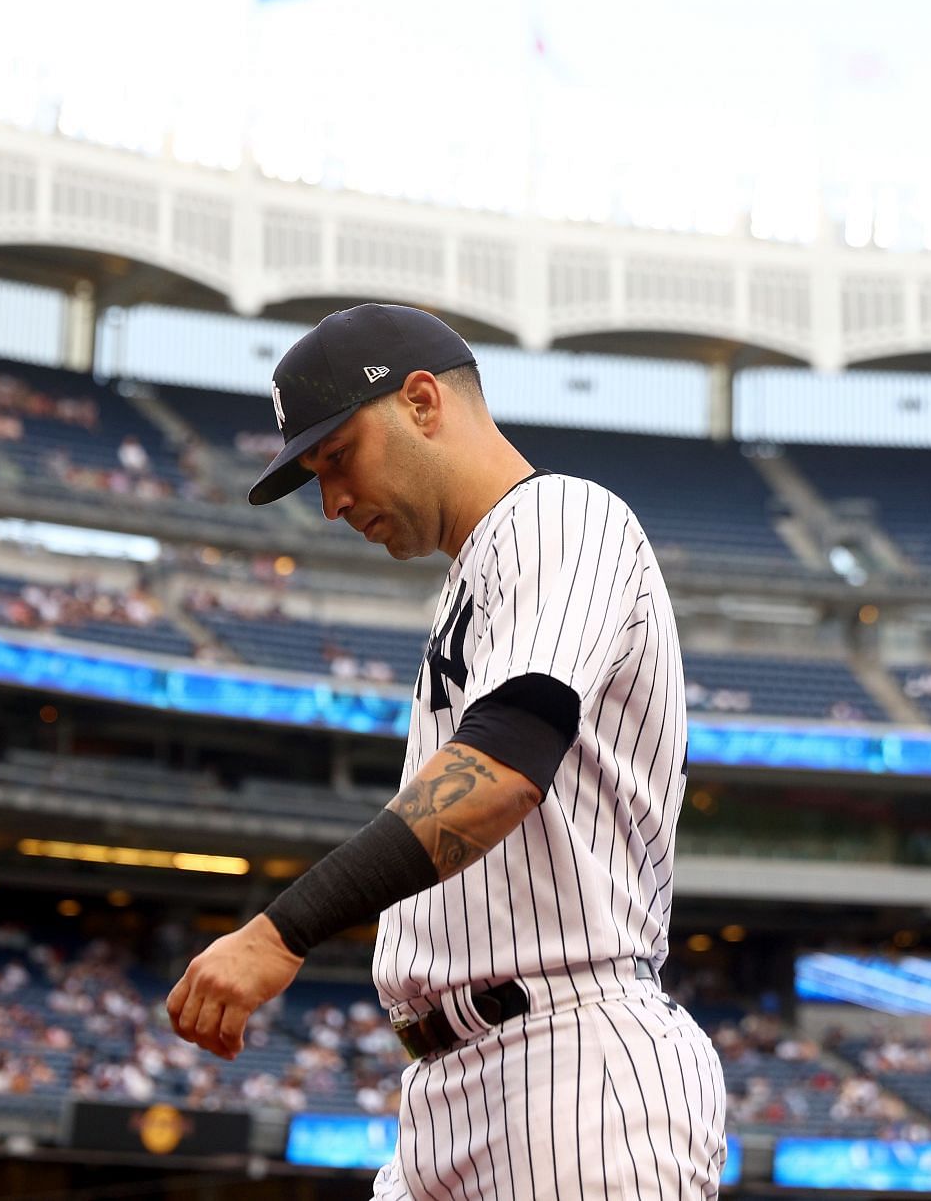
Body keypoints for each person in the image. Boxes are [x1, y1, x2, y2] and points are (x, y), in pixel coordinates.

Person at [166, 304, 726, 1198]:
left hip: (570, 1067)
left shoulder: (562, 518)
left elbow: (503, 769)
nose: (332, 500)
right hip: (449, 1088)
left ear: (422, 402)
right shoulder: (482, 569)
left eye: (338, 456)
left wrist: (284, 928)